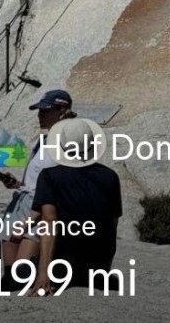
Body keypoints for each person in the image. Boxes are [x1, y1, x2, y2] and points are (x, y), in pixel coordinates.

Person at [31, 119, 121, 292]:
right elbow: (112, 224)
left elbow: (49, 221)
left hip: (60, 270)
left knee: (20, 270)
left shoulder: (49, 176)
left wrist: (43, 274)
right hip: (97, 269)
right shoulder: (110, 177)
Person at [0, 90, 74, 270]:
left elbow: (57, 189)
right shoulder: (44, 140)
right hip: (21, 202)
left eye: (44, 111)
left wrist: (28, 223)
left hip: (41, 209)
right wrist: (17, 184)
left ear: (61, 110)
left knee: (22, 273)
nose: (39, 115)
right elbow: (36, 179)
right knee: (10, 270)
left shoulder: (67, 143)